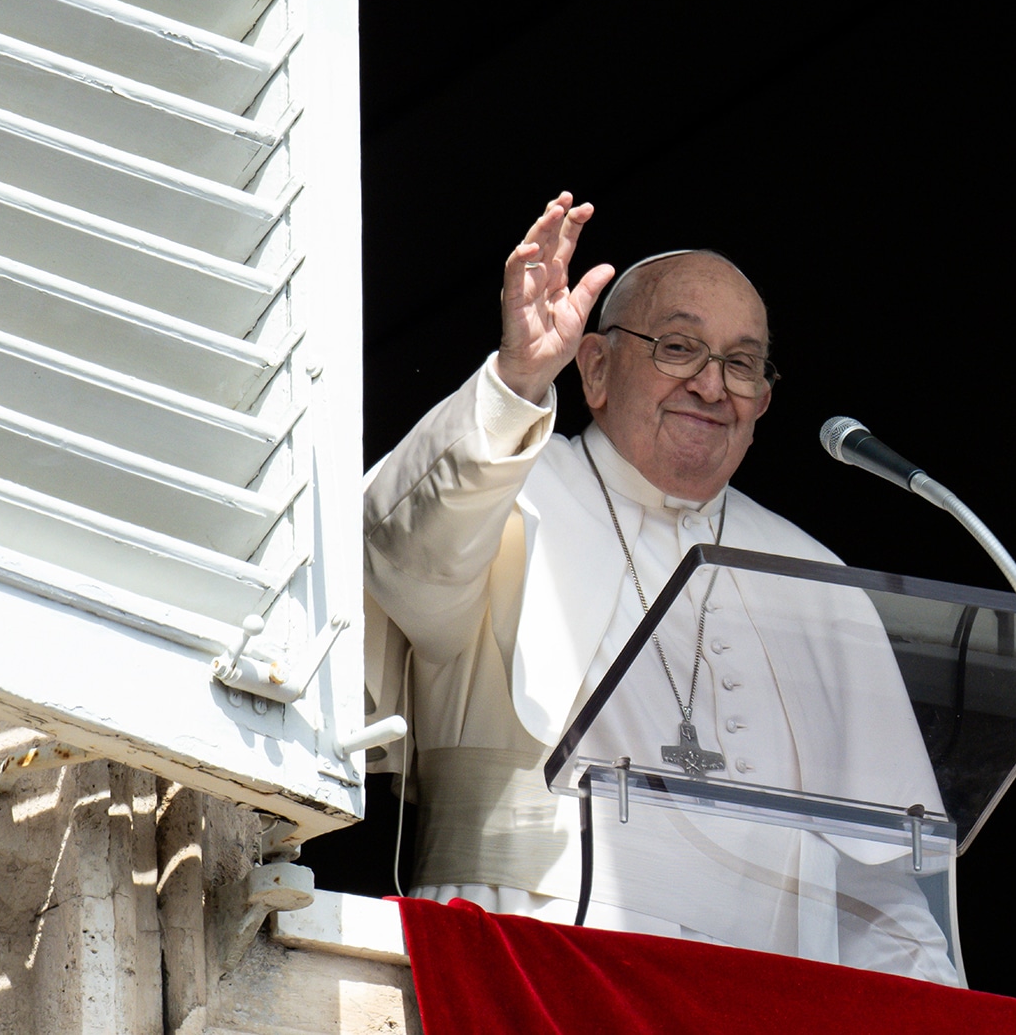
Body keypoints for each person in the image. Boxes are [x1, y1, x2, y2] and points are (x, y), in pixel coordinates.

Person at [363, 192, 958, 984]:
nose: (713, 386)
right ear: (597, 368)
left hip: (765, 994)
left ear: (763, 403)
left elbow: (881, 880)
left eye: (741, 364)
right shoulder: (503, 488)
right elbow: (404, 552)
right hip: (528, 954)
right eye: (678, 348)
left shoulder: (816, 576)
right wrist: (514, 382)